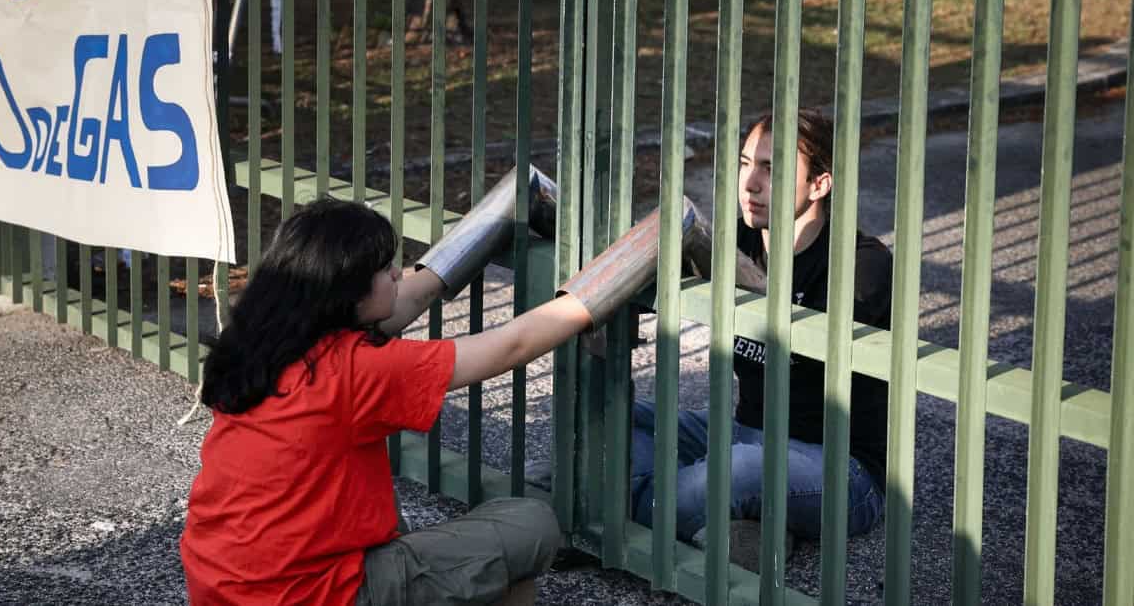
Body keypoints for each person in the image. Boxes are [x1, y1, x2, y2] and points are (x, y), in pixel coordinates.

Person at [180, 189, 603, 606]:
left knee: (406, 521)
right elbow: (510, 346)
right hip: (312, 593)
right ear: (347, 291)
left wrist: (507, 202)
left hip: (221, 584)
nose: (399, 274)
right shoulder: (353, 369)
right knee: (530, 526)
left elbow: (414, 292)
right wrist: (612, 276)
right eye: (385, 269)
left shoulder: (263, 342)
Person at [628, 108, 891, 553]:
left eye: (771, 168)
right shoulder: (739, 242)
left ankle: (613, 503)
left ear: (819, 184)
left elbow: (802, 349)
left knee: (738, 469)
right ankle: (732, 523)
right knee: (623, 416)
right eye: (746, 163)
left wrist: (744, 279)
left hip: (840, 469)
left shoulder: (863, 263)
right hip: (746, 434)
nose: (750, 183)